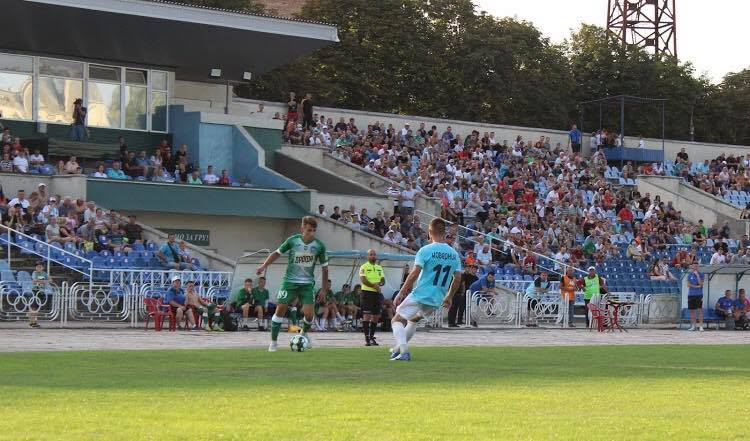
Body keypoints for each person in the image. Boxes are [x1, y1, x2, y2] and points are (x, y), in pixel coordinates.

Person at [390, 218, 462, 361]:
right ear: (444, 232)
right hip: (436, 299)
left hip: (421, 295)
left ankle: (404, 351)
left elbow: (415, 273)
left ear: (430, 232)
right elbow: (457, 278)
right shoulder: (454, 254)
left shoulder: (425, 250)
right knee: (413, 321)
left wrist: (401, 292)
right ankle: (398, 349)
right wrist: (449, 297)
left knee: (396, 320)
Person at [255, 216, 328, 352]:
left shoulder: (319, 245)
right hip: (289, 282)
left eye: (313, 231)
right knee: (280, 310)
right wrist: (264, 266)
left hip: (307, 284)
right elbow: (276, 253)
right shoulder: (292, 240)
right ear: (302, 228)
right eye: (309, 230)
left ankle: (303, 334)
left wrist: (324, 290)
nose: (311, 233)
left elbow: (325, 268)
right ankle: (273, 343)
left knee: (309, 315)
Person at [359, 248, 385, 346]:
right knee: (367, 315)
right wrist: (374, 285)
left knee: (376, 316)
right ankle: (367, 338)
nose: (373, 256)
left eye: (374, 254)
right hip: (366, 293)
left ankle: (372, 337)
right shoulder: (363, 267)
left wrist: (380, 284)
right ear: (367, 256)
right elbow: (363, 280)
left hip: (376, 294)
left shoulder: (379, 267)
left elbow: (383, 280)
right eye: (371, 254)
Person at [686, 262, 705, 332]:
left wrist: (697, 275)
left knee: (700, 310)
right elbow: (688, 285)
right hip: (691, 295)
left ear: (698, 267)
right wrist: (696, 286)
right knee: (692, 311)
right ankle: (694, 326)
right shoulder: (689, 275)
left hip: (699, 295)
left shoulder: (701, 274)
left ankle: (701, 326)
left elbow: (701, 284)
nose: (695, 267)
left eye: (696, 266)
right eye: (694, 266)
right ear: (692, 267)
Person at [27, 262, 47, 328]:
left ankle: (34, 321)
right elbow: (34, 281)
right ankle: (32, 321)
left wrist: (41, 281)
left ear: (42, 267)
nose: (38, 268)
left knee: (37, 307)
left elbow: (50, 280)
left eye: (40, 266)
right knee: (33, 307)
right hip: (35, 291)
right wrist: (44, 281)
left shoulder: (44, 273)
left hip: (41, 292)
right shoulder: (34, 273)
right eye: (37, 266)